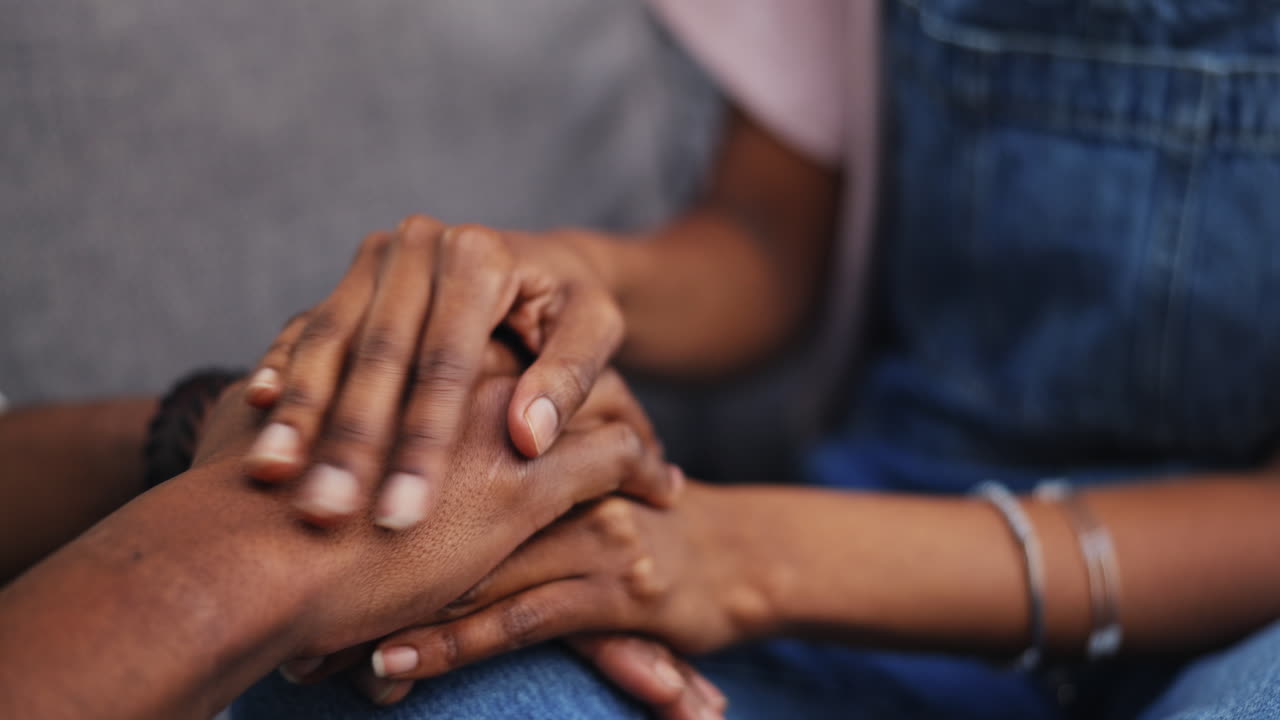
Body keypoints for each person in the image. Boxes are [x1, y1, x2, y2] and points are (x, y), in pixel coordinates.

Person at [226, 1, 1280, 719]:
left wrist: (740, 559)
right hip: (874, 555)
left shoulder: (759, 557)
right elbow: (768, 236)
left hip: (1231, 617)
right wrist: (576, 275)